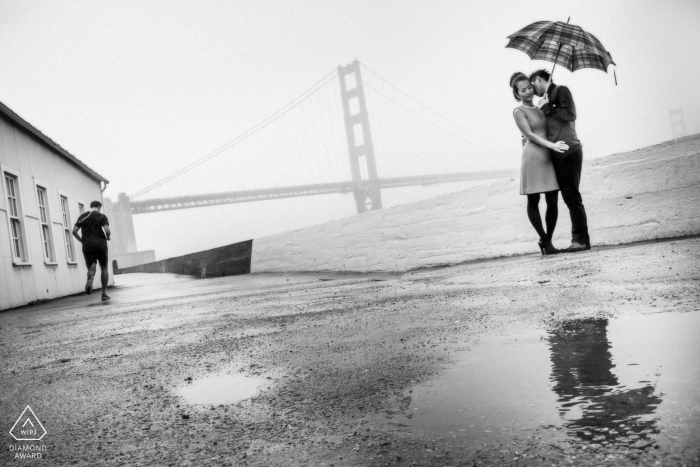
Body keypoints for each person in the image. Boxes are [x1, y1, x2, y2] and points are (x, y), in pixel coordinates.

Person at [530, 69, 590, 252]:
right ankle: (581, 239)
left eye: (533, 84)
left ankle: (580, 240)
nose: (532, 90)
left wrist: (549, 108)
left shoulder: (561, 91)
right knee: (569, 196)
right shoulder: (544, 101)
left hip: (569, 148)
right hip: (558, 152)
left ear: (538, 79)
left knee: (572, 196)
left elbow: (570, 115)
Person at [510, 72, 568, 255]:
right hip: (533, 157)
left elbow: (554, 125)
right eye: (522, 90)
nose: (527, 92)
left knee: (552, 199)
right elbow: (530, 135)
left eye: (529, 87)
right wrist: (551, 145)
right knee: (533, 199)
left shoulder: (541, 106)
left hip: (548, 156)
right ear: (517, 94)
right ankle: (545, 240)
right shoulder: (518, 111)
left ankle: (546, 240)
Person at [72, 200, 111, 301]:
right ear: (98, 207)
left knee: (91, 265)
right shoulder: (102, 216)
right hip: (101, 245)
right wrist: (108, 236)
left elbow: (74, 231)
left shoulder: (83, 216)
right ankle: (104, 293)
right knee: (104, 268)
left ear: (91, 206)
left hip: (88, 245)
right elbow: (107, 230)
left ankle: (91, 277)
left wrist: (82, 241)